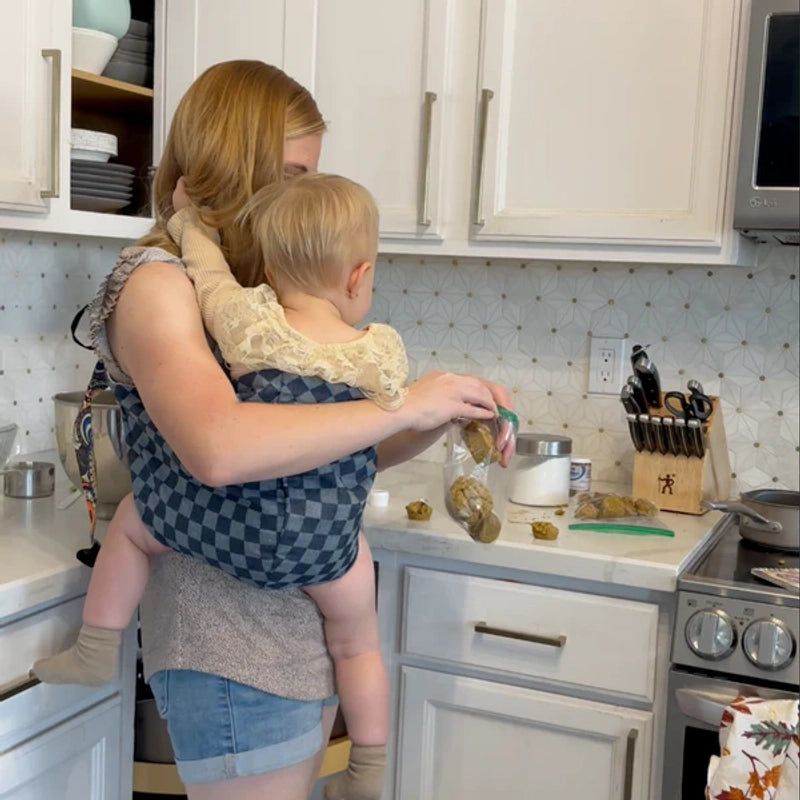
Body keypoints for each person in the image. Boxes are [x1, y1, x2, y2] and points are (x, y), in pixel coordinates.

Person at [33, 60, 513, 800]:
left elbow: (333, 453)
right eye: (290, 174)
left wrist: (440, 415)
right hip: (231, 652)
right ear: (234, 162)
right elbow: (220, 448)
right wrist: (404, 405)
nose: (301, 197)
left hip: (293, 639)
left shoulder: (256, 292)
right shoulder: (159, 283)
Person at [37, 172, 414, 800]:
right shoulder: (382, 350)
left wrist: (188, 220)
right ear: (359, 277)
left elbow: (208, 276)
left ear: (267, 269)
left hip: (238, 526)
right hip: (327, 546)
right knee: (359, 646)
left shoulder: (248, 323)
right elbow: (378, 434)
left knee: (134, 522)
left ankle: (96, 644)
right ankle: (368, 770)